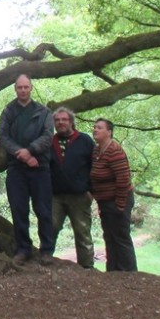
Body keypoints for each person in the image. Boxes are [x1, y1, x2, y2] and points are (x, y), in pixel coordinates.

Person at [0, 74, 56, 265]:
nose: (23, 90)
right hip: (16, 168)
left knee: (43, 210)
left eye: (26, 87)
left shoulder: (44, 112)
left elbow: (48, 136)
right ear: (15, 89)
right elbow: (3, 137)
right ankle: (24, 248)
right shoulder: (8, 111)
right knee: (19, 210)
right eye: (19, 87)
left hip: (40, 167)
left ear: (31, 88)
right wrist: (20, 154)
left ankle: (47, 250)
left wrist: (30, 151)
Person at [49, 107, 95, 269]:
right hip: (55, 196)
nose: (60, 123)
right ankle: (46, 262)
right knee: (50, 228)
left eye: (64, 119)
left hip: (79, 195)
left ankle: (87, 267)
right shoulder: (49, 141)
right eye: (57, 120)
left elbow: (94, 166)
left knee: (82, 232)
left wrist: (91, 191)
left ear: (71, 122)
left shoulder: (85, 140)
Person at [91, 118, 137, 272]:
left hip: (118, 200)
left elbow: (123, 179)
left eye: (99, 127)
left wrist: (119, 205)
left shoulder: (114, 150)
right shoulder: (97, 151)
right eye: (94, 127)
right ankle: (112, 270)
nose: (95, 130)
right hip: (105, 202)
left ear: (109, 132)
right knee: (109, 236)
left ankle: (128, 271)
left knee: (121, 237)